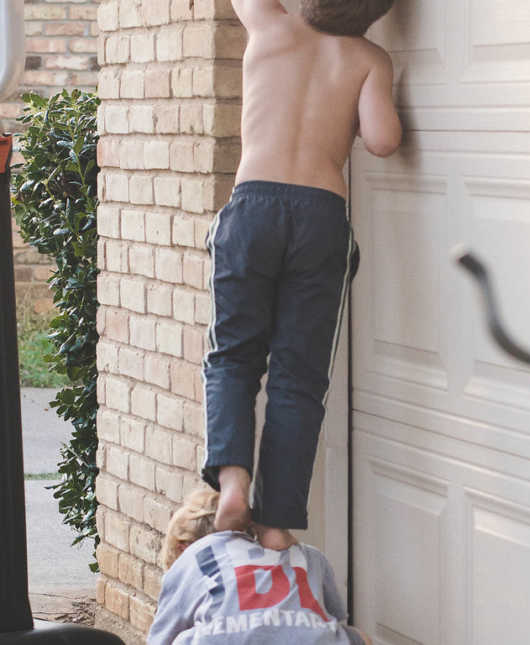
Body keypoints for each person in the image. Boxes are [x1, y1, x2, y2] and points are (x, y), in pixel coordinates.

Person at [202, 0, 402, 550]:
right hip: (320, 216)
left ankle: (232, 478)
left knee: (233, 355)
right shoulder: (370, 59)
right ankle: (276, 522)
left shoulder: (269, 25)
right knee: (300, 378)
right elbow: (383, 140)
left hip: (253, 207)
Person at [149, 489, 371, 644]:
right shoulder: (309, 554)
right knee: (359, 638)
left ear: (183, 547)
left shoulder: (194, 558)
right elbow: (337, 617)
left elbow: (160, 638)